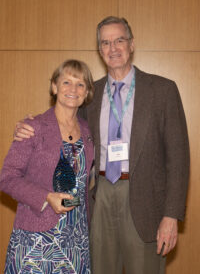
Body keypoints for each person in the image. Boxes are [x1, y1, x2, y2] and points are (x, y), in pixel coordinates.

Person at [13, 16, 190, 274]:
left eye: (119, 40)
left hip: (146, 202)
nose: (113, 48)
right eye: (105, 43)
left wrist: (171, 215)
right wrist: (28, 124)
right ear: (100, 50)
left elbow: (178, 158)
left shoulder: (162, 90)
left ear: (131, 45)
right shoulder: (90, 94)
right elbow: (63, 124)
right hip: (101, 197)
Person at [0, 59, 94, 274]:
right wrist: (45, 197)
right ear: (54, 87)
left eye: (80, 84)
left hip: (76, 240)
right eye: (66, 82)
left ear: (87, 91)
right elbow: (7, 178)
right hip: (35, 239)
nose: (73, 89)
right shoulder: (34, 127)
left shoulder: (88, 131)